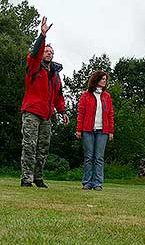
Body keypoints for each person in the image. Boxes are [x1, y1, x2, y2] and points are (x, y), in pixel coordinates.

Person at [20, 16, 69, 188]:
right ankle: (26, 178)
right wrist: (42, 36)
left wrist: (62, 112)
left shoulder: (55, 75)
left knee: (43, 148)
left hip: (47, 116)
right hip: (32, 112)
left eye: (52, 52)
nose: (49, 53)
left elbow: (58, 96)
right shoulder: (33, 67)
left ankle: (38, 177)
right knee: (29, 146)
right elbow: (34, 53)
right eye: (47, 51)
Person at [76, 71, 114, 191]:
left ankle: (98, 183)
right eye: (102, 79)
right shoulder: (85, 95)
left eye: (105, 79)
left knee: (99, 158)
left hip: (103, 131)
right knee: (88, 157)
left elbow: (110, 114)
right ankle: (87, 183)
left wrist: (111, 131)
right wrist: (78, 129)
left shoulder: (107, 96)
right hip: (87, 130)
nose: (104, 81)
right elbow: (81, 113)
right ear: (96, 80)